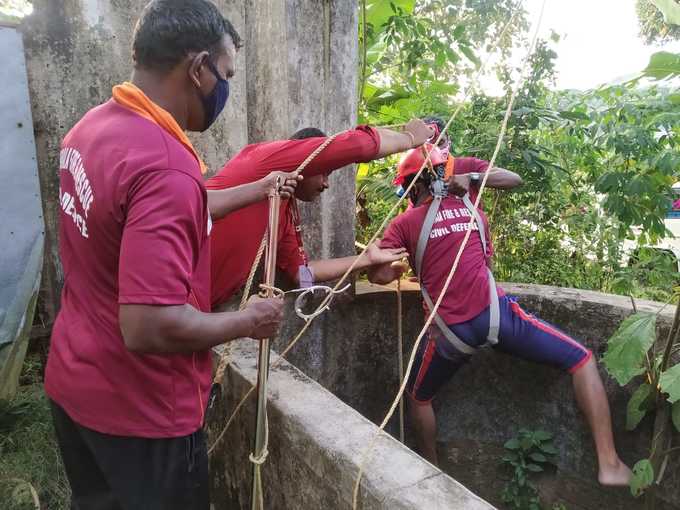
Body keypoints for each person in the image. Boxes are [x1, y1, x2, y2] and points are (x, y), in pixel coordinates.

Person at [45, 2, 293, 509]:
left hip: (76, 383)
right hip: (143, 414)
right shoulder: (165, 166)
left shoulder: (94, 128)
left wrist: (258, 187)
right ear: (198, 68)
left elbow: (164, 206)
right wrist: (249, 320)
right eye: (225, 73)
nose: (224, 87)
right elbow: (148, 326)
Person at [368, 134, 632, 486]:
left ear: (413, 187)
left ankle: (431, 469)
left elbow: (381, 275)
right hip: (498, 317)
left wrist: (389, 263)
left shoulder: (405, 223)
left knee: (418, 398)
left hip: (450, 333)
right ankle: (609, 463)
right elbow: (483, 259)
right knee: (582, 360)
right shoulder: (475, 213)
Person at [206, 120, 436, 309]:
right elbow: (359, 145)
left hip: (202, 307)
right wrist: (410, 139)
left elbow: (302, 275)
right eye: (325, 172)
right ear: (308, 160)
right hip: (179, 298)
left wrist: (365, 259)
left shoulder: (285, 211)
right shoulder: (263, 159)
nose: (326, 184)